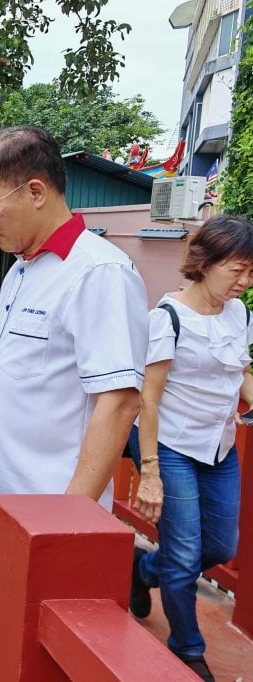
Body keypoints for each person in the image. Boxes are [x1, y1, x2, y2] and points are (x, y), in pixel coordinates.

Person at [0, 125, 148, 508]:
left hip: (44, 512)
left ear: (35, 192)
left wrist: (66, 517)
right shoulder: (22, 270)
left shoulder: (99, 272)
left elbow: (120, 399)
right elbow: (24, 361)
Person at [127, 216, 253, 682]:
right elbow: (148, 398)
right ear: (206, 263)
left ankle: (143, 570)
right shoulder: (168, 318)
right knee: (183, 557)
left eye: (251, 272)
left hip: (219, 447)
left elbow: (239, 371)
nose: (245, 282)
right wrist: (152, 472)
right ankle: (188, 648)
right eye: (237, 270)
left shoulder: (240, 314)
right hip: (173, 446)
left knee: (221, 545)